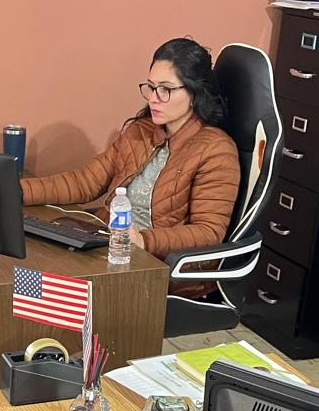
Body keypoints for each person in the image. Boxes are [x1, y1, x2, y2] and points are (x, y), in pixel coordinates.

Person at [20, 37, 240, 298]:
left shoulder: (216, 150)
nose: (154, 99)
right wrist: (14, 191)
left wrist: (144, 240)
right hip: (108, 250)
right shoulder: (140, 132)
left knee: (40, 293)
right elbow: (84, 182)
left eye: (166, 89)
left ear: (194, 93)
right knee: (26, 273)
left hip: (155, 269)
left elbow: (208, 232)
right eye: (151, 87)